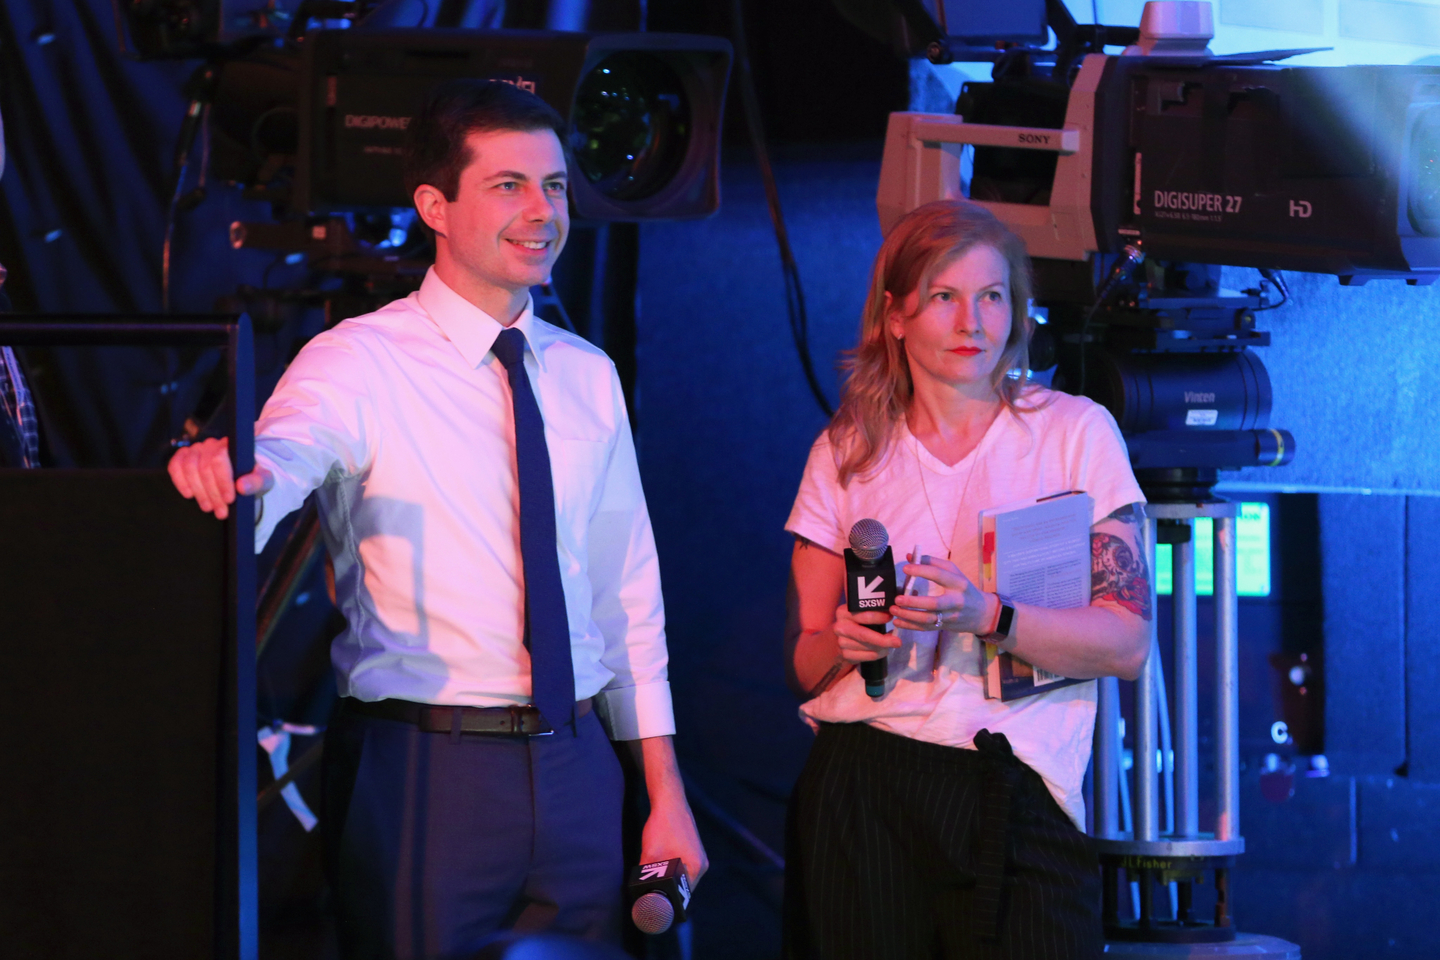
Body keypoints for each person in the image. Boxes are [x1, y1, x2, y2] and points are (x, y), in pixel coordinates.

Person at [167, 79, 705, 958]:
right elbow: (281, 462)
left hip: (577, 769)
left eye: (556, 186)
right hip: (427, 766)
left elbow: (625, 600)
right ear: (434, 205)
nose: (543, 211)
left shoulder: (584, 373)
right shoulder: (358, 361)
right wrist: (232, 477)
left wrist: (664, 792)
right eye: (509, 186)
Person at [781, 200, 1151, 960]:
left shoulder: (1073, 431)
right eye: (945, 297)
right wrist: (849, 644)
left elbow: (1127, 643)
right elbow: (805, 664)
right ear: (895, 316)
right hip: (866, 780)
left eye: (992, 297)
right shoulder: (846, 451)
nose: (971, 321)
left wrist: (989, 613)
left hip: (1015, 784)